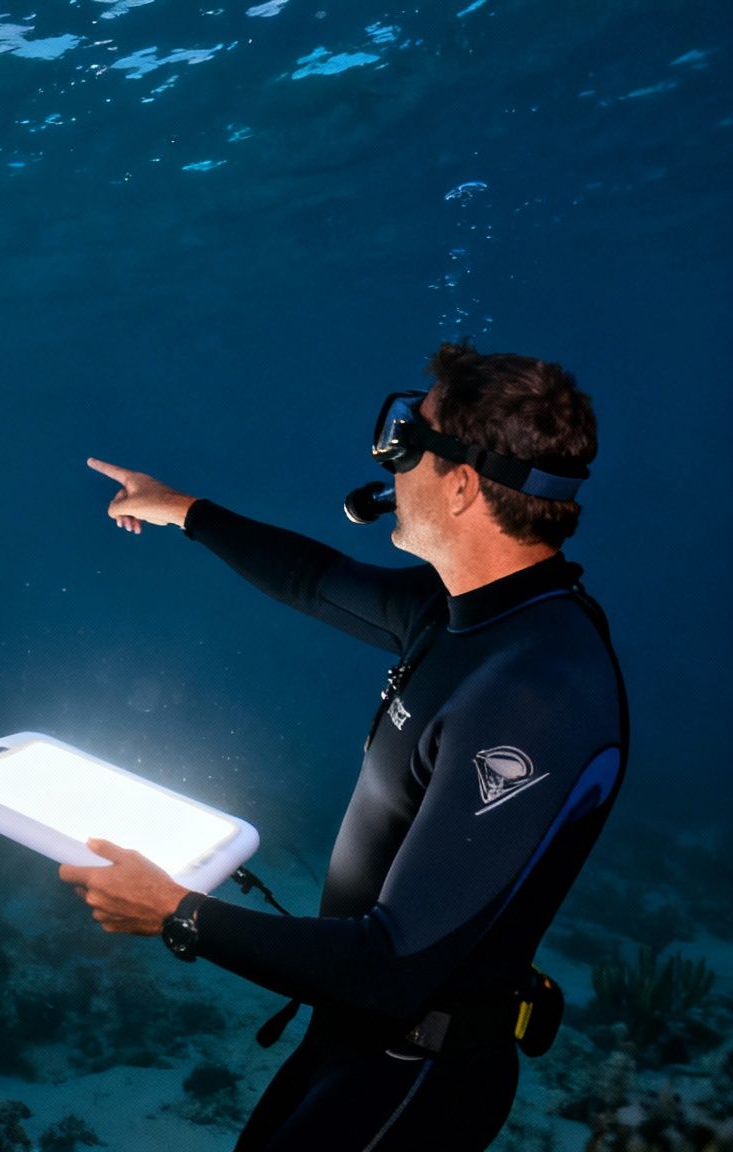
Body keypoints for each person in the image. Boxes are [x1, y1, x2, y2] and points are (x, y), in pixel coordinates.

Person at [66, 344, 626, 1150]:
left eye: (407, 442)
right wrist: (178, 507)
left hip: (415, 1074)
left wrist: (176, 913)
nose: (390, 465)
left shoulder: (532, 694)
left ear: (463, 485)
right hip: (355, 1039)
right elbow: (314, 577)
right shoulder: (471, 611)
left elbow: (392, 962)